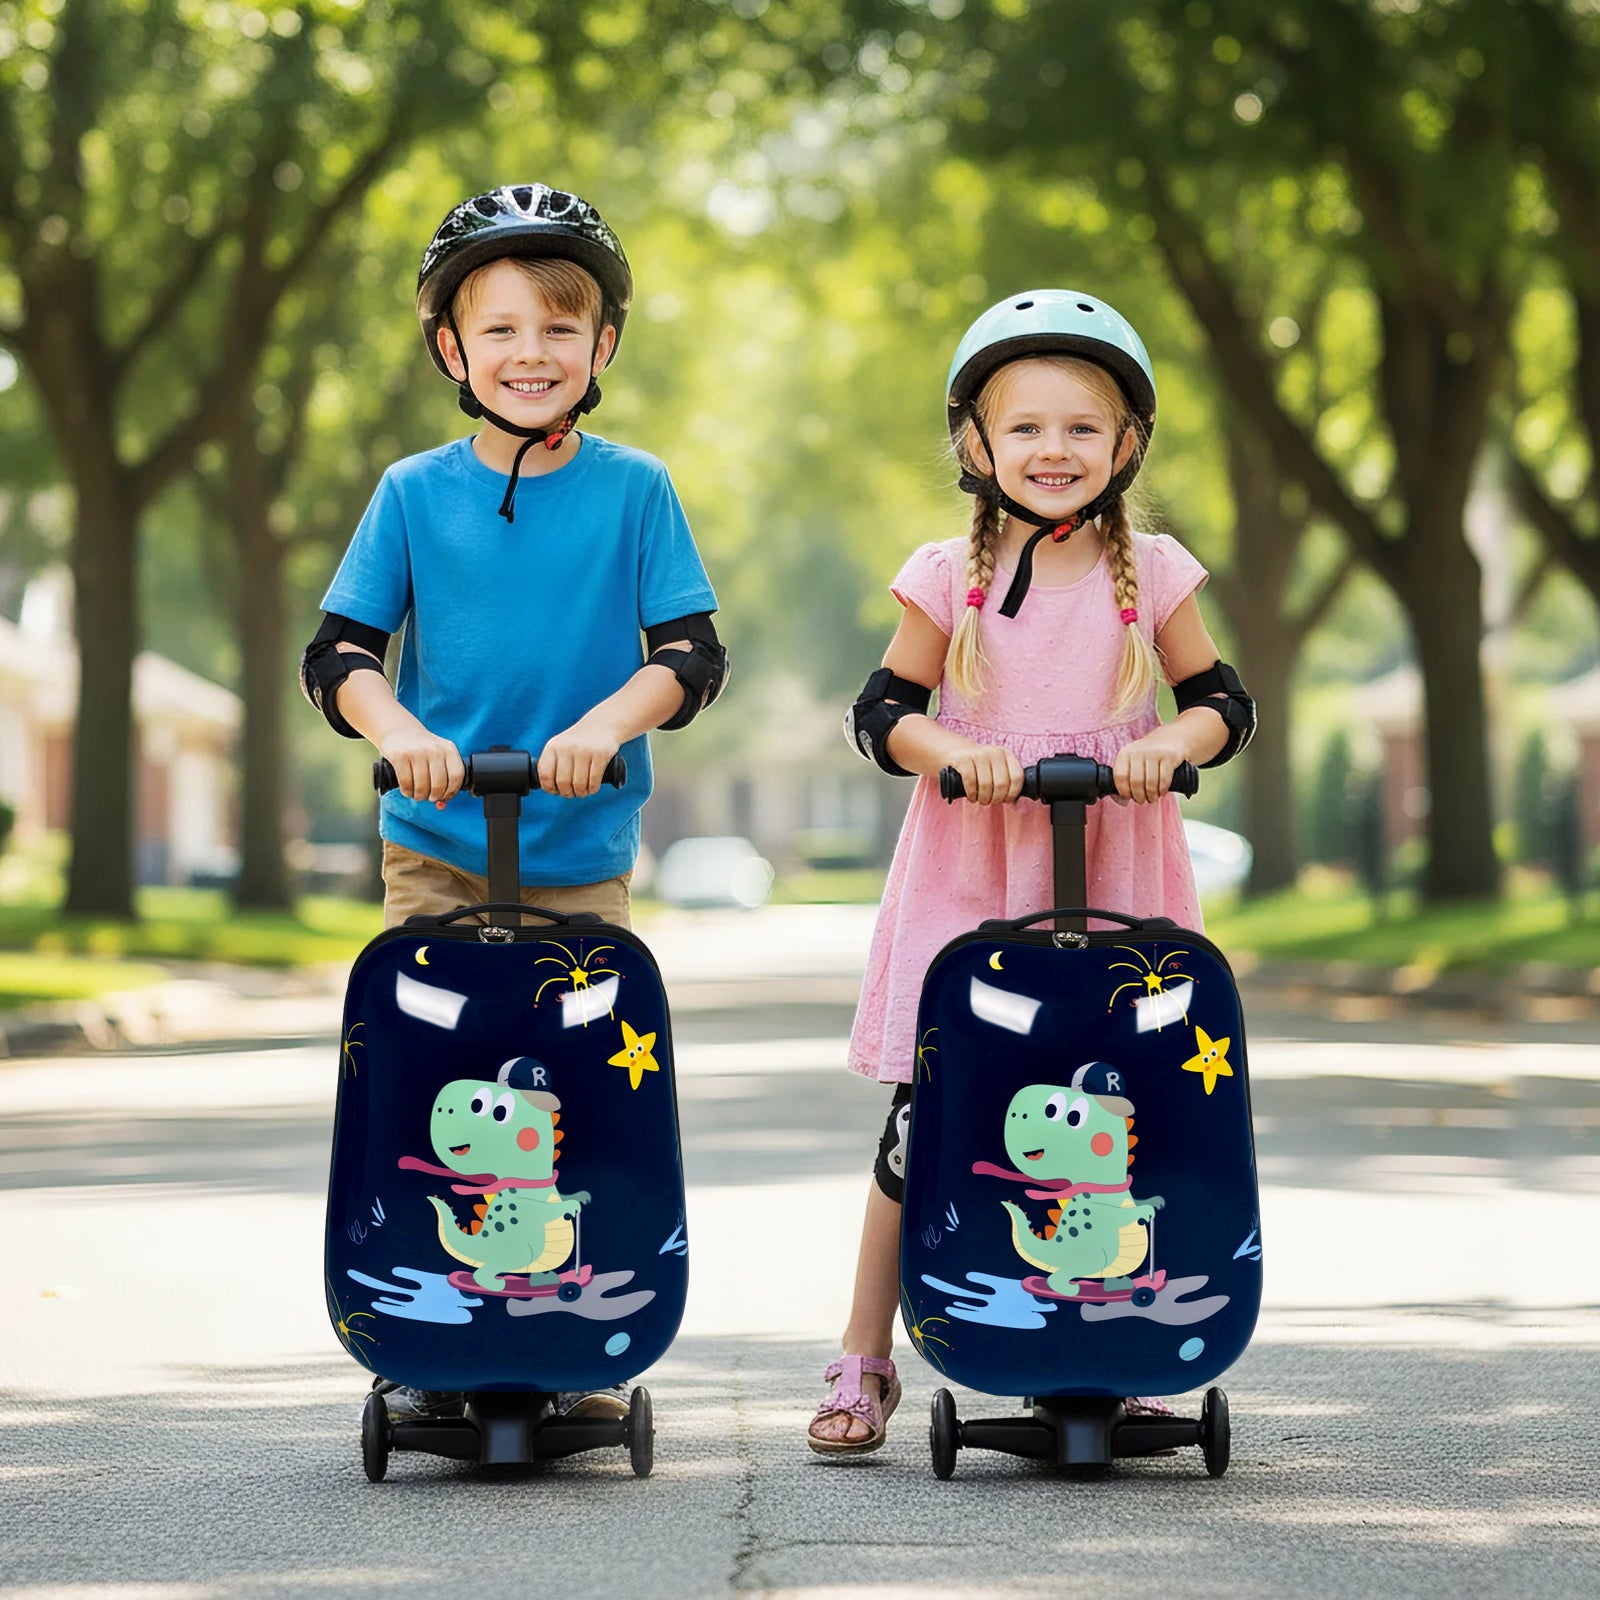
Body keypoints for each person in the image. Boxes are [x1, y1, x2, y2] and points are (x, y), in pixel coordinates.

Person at [300, 183, 727, 1420]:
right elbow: (338, 654)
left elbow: (690, 653)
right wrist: (403, 732)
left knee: (574, 1084)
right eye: (498, 329)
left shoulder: (635, 489)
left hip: (578, 847)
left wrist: (603, 724)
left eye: (557, 327)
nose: (528, 353)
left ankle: (571, 1314)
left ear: (602, 348)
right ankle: (425, 1318)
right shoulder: (411, 492)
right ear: (451, 347)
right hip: (435, 844)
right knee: (433, 1082)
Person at [809, 290, 1257, 1455]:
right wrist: (952, 751)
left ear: (1125, 447)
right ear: (976, 443)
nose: (1052, 450)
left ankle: (1136, 1335)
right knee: (930, 1119)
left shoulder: (1150, 573)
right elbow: (882, 710)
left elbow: (1222, 701)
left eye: (1080, 428)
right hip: (974, 878)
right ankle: (865, 1353)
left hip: (1120, 870)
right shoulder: (941, 577)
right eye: (1025, 427)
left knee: (1129, 1110)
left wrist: (1170, 741)